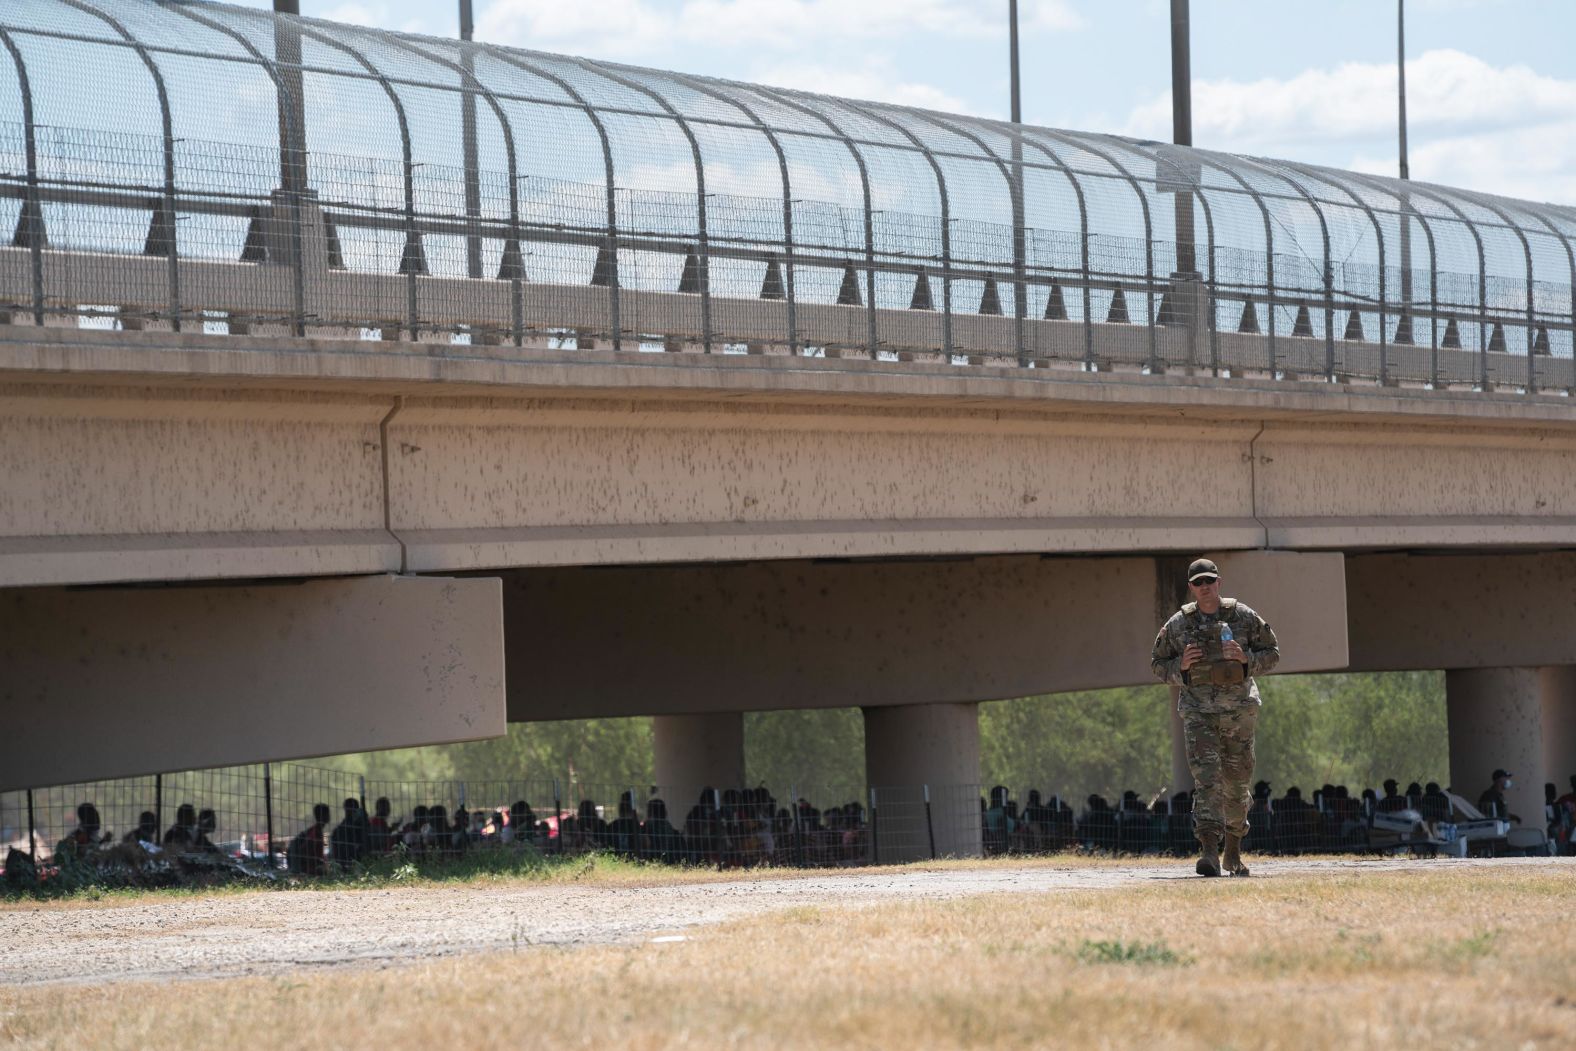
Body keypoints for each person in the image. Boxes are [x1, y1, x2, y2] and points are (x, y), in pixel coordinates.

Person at [1151, 558, 1280, 877]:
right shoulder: (1179, 625)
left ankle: (1233, 852)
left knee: (1236, 783)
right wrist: (1179, 667)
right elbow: (1156, 664)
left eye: (1210, 580)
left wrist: (1246, 659)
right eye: (1198, 582)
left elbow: (1273, 653)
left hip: (1238, 714)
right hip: (1199, 714)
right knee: (1206, 780)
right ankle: (1209, 850)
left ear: (1219, 582)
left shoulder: (1244, 616)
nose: (1204, 587)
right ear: (1191, 587)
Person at [287, 803, 331, 876]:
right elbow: (305, 850)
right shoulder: (315, 832)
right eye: (327, 813)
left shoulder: (316, 830)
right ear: (323, 815)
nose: (329, 816)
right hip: (311, 872)